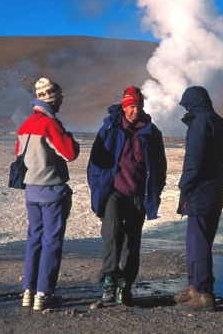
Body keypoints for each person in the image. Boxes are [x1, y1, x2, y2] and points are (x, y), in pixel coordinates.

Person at [87, 86, 167, 306]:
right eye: (131, 106)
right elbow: (95, 163)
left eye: (138, 106)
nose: (135, 110)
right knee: (112, 234)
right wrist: (97, 189)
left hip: (138, 194)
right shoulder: (110, 130)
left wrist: (156, 189)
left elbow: (160, 166)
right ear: (124, 106)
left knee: (132, 241)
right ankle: (109, 280)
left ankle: (126, 285)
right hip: (114, 192)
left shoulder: (151, 133)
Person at [16, 77, 79, 311]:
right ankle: (44, 293)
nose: (62, 102)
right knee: (51, 241)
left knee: (34, 240)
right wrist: (71, 139)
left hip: (31, 192)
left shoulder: (25, 125)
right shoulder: (51, 124)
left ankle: (28, 291)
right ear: (52, 99)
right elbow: (70, 153)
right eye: (60, 98)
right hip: (51, 191)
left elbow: (19, 156)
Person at [173, 86, 223, 312]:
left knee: (197, 242)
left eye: (187, 105)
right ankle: (194, 286)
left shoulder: (200, 123)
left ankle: (203, 291)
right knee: (199, 240)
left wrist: (184, 186)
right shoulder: (221, 123)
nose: (186, 109)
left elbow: (194, 161)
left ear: (194, 104)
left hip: (200, 190)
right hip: (216, 188)